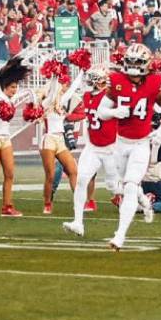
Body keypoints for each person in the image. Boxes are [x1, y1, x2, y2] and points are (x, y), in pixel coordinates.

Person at [101, 43, 161, 250]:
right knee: (120, 186)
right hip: (120, 143)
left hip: (141, 144)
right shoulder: (116, 81)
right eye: (130, 61)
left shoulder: (153, 83)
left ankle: (119, 236)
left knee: (130, 186)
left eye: (137, 61)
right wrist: (114, 113)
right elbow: (101, 111)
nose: (133, 65)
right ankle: (145, 201)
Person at [63, 67, 121, 237]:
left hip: (111, 147)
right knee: (81, 180)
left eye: (92, 80)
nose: (89, 83)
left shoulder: (110, 97)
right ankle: (78, 222)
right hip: (93, 147)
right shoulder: (87, 96)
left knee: (114, 186)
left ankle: (140, 198)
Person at [0, 57, 34, 217]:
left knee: (10, 174)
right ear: (5, 86)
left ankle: (7, 207)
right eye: (12, 87)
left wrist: (33, 96)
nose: (15, 90)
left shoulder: (12, 98)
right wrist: (5, 97)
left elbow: (28, 93)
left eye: (16, 87)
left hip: (6, 138)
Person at [37, 69, 82, 214]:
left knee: (73, 170)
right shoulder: (46, 103)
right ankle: (47, 203)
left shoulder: (61, 102)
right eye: (59, 86)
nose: (62, 88)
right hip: (48, 140)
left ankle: (78, 202)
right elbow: (51, 94)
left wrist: (82, 70)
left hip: (60, 140)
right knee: (50, 175)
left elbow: (73, 88)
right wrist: (55, 76)